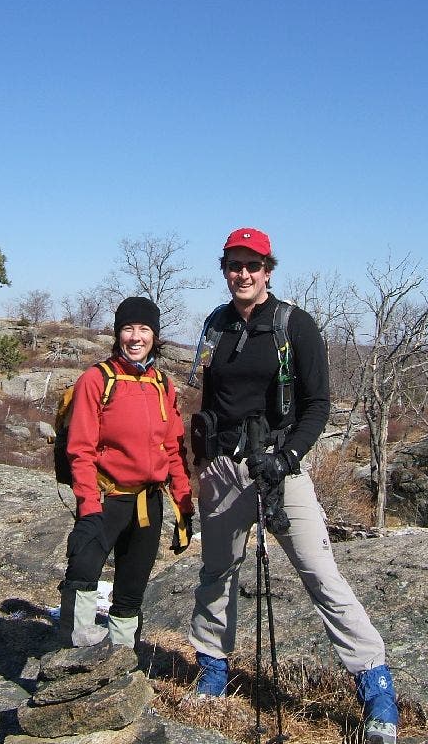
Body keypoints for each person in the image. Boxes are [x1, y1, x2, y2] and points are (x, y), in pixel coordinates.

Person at [188, 229, 399, 744]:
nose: (243, 274)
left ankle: (375, 687)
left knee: (321, 573)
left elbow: (319, 404)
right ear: (225, 269)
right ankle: (213, 668)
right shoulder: (215, 325)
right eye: (234, 265)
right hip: (223, 469)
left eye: (253, 265)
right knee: (217, 572)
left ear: (268, 270)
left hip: (281, 469)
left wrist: (286, 457)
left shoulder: (294, 325)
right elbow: (210, 398)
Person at [58, 296, 194, 649]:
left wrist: (184, 507)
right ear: (118, 334)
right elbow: (81, 450)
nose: (136, 337)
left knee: (131, 590)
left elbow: (175, 450)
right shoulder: (96, 379)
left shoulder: (163, 384)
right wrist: (88, 507)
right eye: (128, 329)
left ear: (155, 336)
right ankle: (75, 653)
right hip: (108, 498)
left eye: (144, 329)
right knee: (83, 571)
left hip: (148, 504)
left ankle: (121, 659)